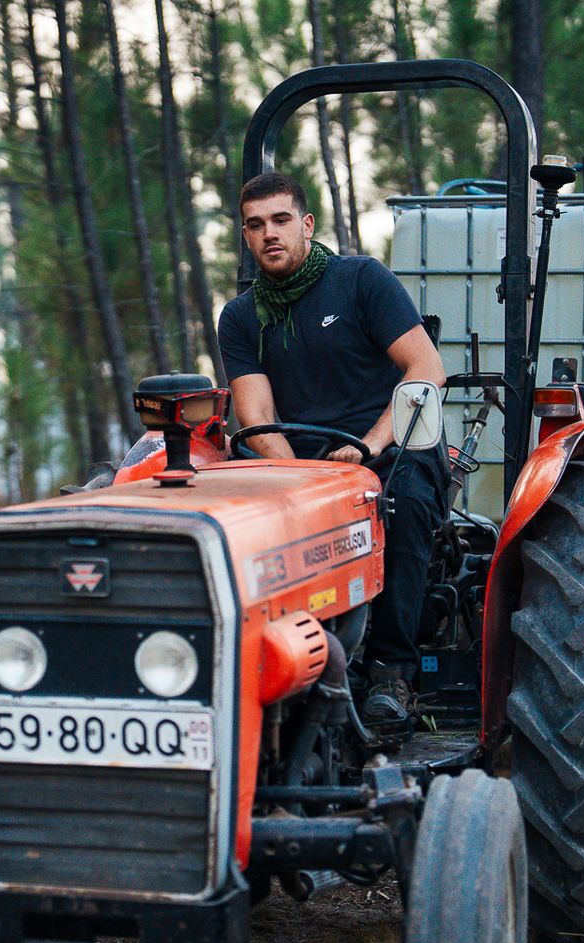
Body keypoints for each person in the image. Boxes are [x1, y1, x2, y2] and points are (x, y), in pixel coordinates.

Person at [217, 171, 447, 726]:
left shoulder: (361, 281)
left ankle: (393, 670)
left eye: (280, 220)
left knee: (404, 504)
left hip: (386, 446)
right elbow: (255, 414)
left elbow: (427, 369)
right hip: (297, 463)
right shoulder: (241, 317)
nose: (269, 233)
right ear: (246, 238)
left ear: (306, 224)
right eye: (255, 225)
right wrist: (298, 475)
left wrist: (366, 449)